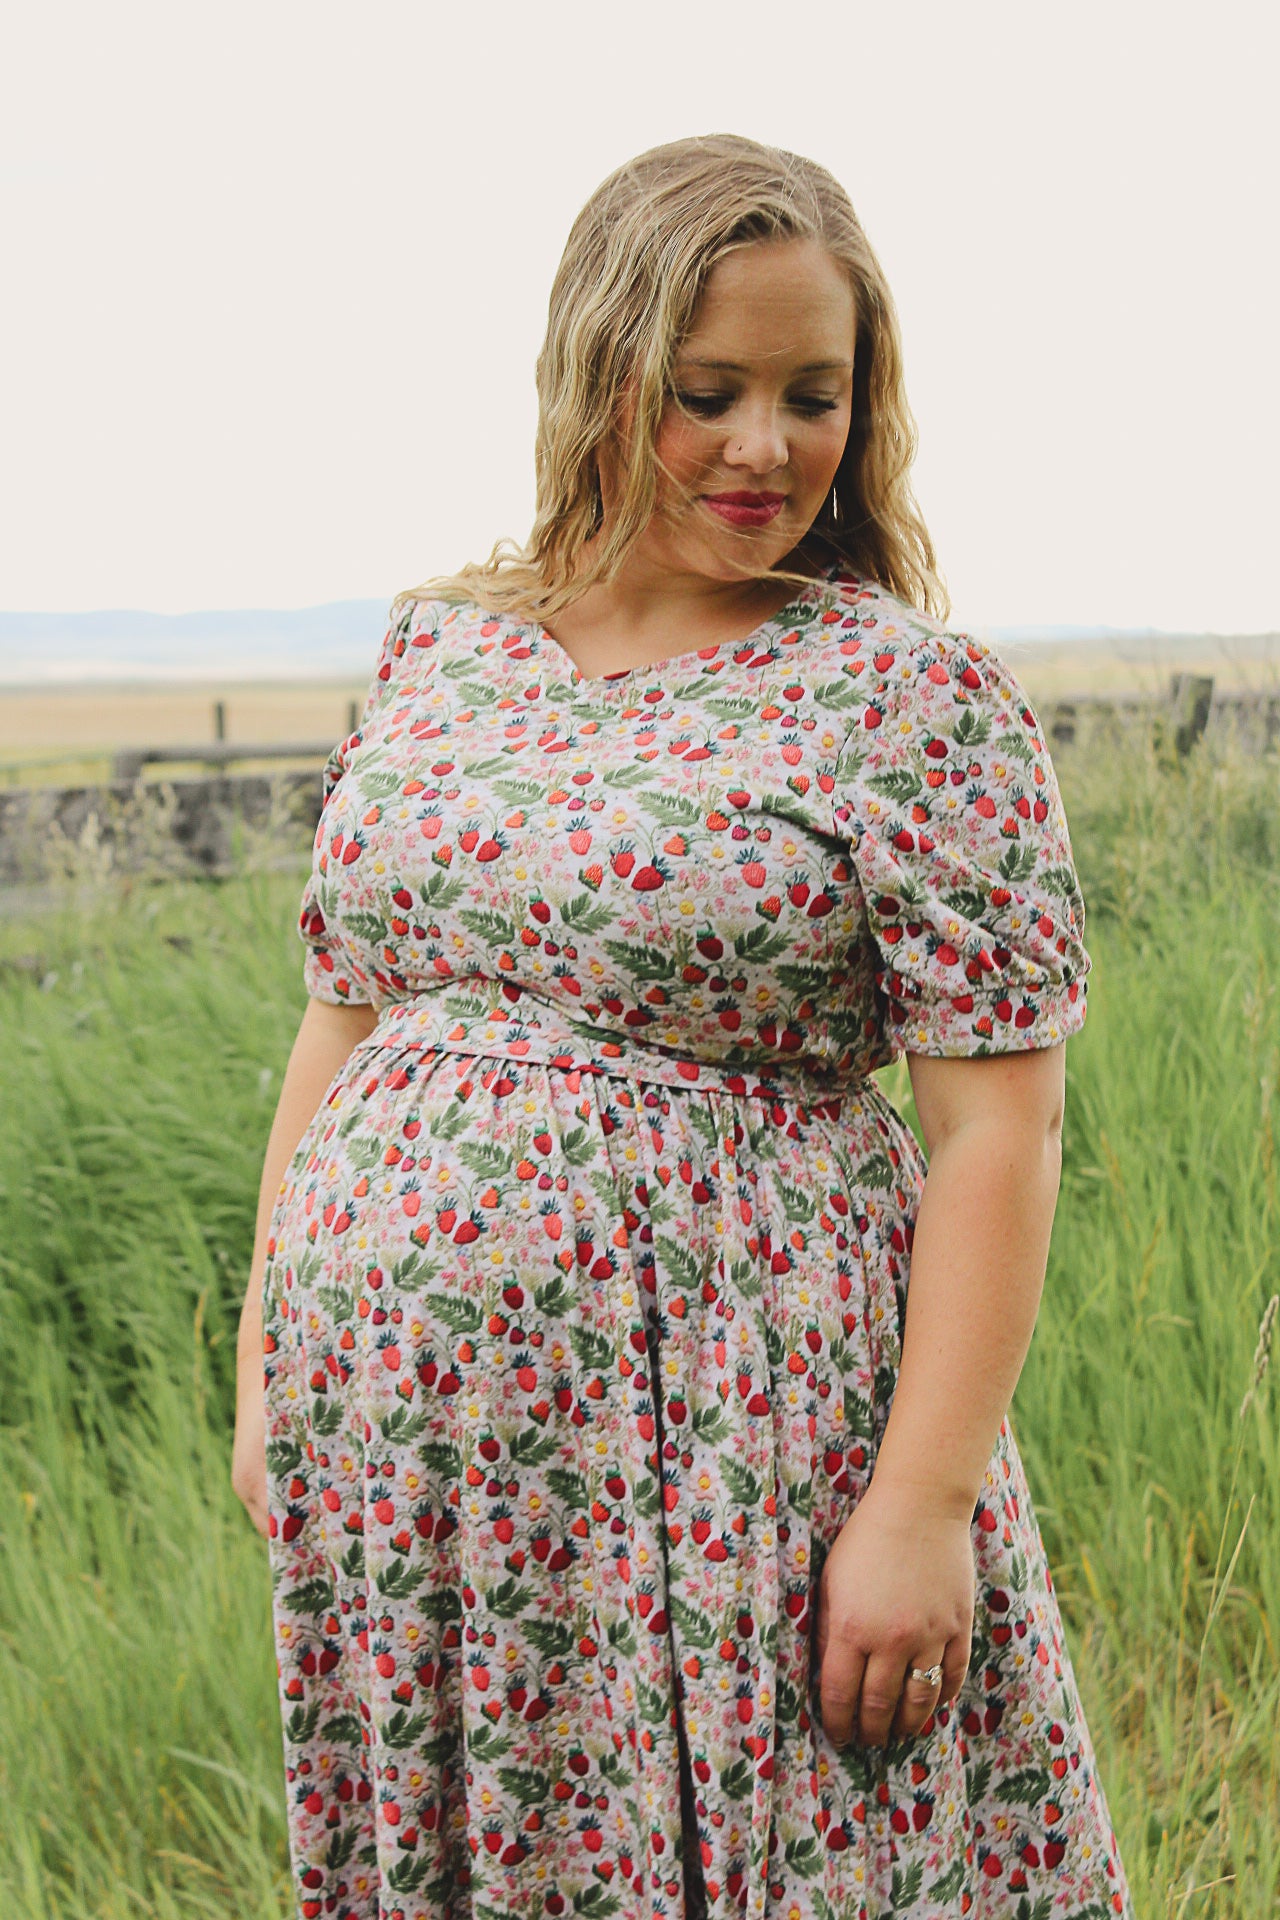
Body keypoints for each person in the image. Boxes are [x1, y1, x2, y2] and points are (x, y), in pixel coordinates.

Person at [233, 133, 1134, 1920]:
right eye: (705, 391)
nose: (765, 446)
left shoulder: (903, 693)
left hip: (736, 1439)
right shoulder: (445, 652)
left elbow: (997, 1133)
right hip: (421, 1479)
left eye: (815, 393)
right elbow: (345, 1022)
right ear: (598, 368)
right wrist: (271, 1354)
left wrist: (920, 1506)